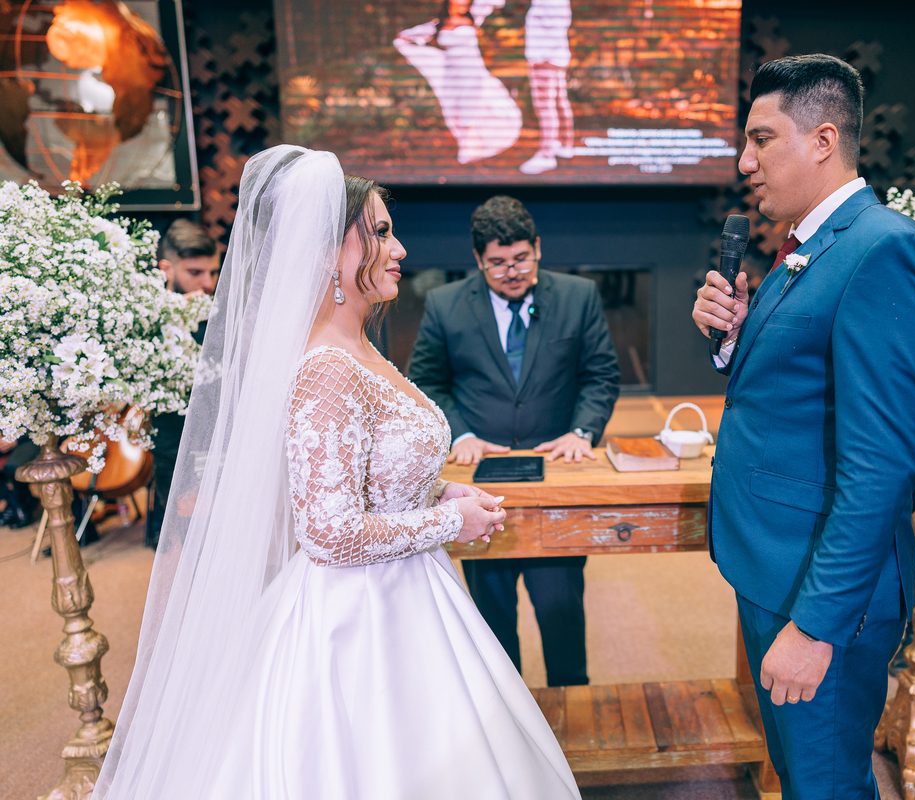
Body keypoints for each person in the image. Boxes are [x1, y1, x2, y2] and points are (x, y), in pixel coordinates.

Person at [94, 146, 581, 799]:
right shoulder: (326, 368)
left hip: (410, 588)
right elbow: (327, 532)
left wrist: (439, 488)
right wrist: (449, 521)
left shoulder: (360, 348)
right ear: (328, 254)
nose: (399, 248)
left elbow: (371, 475)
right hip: (360, 616)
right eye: (380, 232)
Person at [691, 55, 915, 799]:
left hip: (818, 589)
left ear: (824, 140)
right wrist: (735, 339)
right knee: (801, 776)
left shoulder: (884, 249)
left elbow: (881, 465)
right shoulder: (811, 246)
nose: (746, 162)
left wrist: (816, 627)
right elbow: (799, 382)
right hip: (773, 561)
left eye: (761, 139)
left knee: (827, 785)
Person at [408, 195, 619, 687]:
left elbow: (601, 375)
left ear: (537, 248)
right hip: (482, 487)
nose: (512, 272)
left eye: (521, 259)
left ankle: (571, 705)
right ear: (478, 259)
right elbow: (427, 382)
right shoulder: (445, 304)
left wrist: (582, 431)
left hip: (555, 479)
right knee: (494, 622)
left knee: (561, 611)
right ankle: (510, 718)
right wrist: (461, 433)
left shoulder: (579, 296)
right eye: (498, 263)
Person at [144, 219, 219, 548]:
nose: (208, 283)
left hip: (220, 442)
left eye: (213, 272)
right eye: (195, 272)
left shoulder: (219, 313)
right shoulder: (146, 318)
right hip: (173, 447)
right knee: (184, 544)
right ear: (167, 269)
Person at [394, 0, 522, 165]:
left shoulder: (473, 16)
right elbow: (409, 35)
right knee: (455, 109)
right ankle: (469, 147)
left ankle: (474, 148)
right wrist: (404, 39)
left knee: (472, 106)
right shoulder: (439, 24)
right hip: (452, 73)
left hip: (471, 70)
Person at [519, 0, 574, 175]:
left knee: (545, 107)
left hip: (545, 60)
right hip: (553, 58)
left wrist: (539, 59)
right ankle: (565, 144)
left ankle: (546, 155)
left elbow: (554, 29)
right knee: (559, 101)